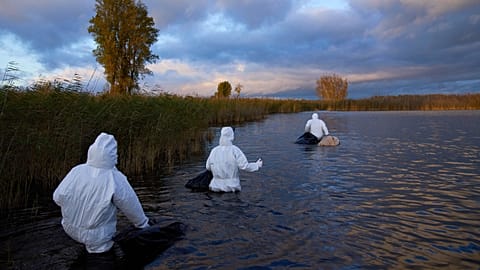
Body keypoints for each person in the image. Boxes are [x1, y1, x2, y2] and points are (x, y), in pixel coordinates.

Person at [53, 132, 150, 265]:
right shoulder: (115, 178)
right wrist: (143, 225)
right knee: (101, 260)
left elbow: (57, 198)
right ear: (113, 155)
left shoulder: (76, 171)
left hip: (70, 228)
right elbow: (131, 205)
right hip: (99, 238)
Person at [206, 127, 263, 192]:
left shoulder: (214, 151)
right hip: (232, 187)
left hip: (215, 187)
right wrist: (257, 165)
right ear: (232, 136)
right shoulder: (235, 150)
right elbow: (244, 166)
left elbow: (208, 167)